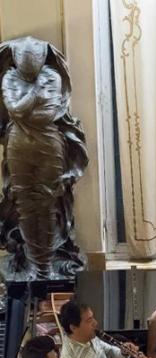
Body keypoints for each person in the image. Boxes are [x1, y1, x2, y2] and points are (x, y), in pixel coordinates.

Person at [0, 36, 88, 278]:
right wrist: (35, 96)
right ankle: (35, 263)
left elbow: (46, 115)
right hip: (18, 146)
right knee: (25, 206)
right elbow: (13, 109)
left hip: (49, 144)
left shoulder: (52, 75)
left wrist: (23, 107)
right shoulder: (9, 76)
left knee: (47, 204)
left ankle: (45, 264)